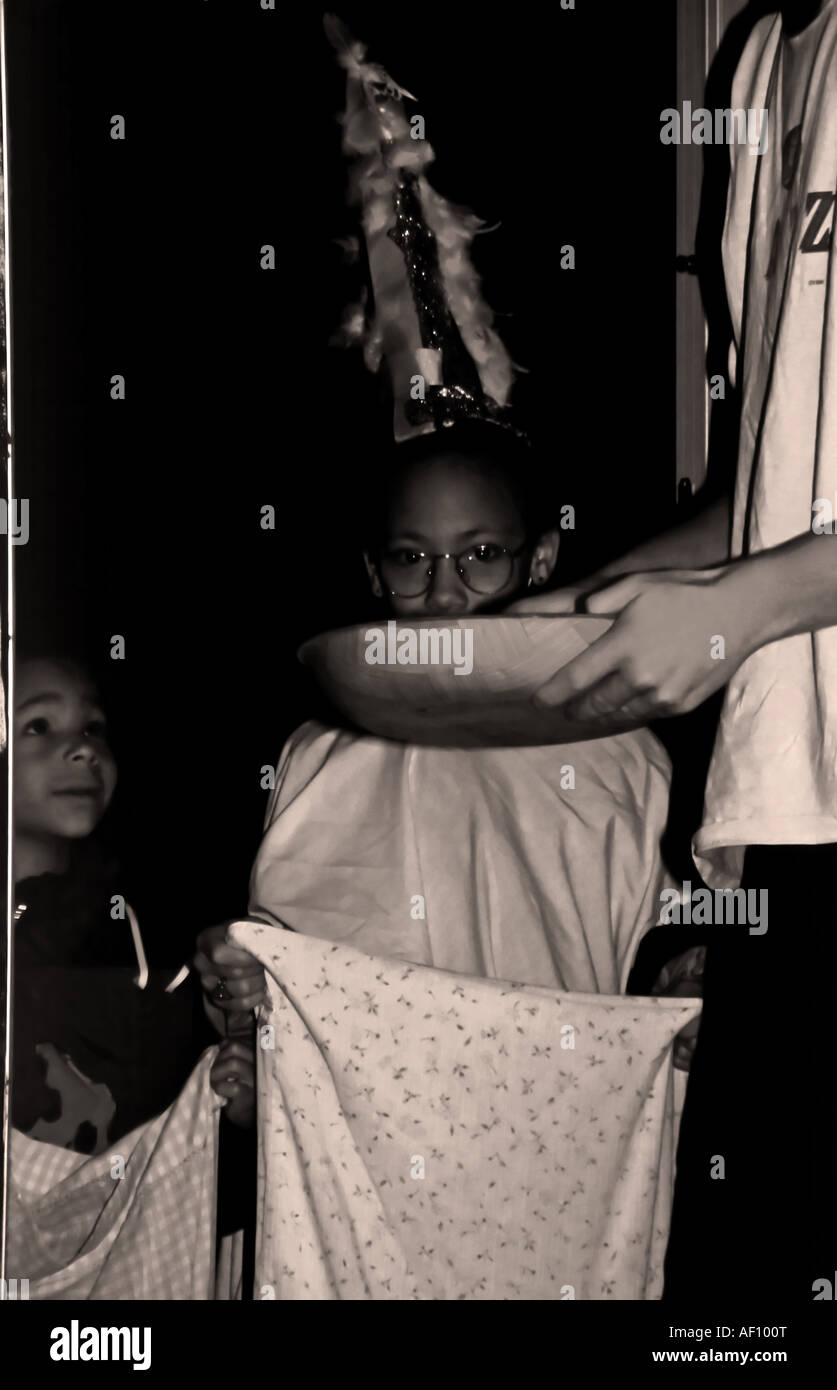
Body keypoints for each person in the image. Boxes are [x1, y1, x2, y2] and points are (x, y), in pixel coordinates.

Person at [509, 0, 837, 1301]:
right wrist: (582, 607)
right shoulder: (764, 62)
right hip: (798, 807)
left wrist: (739, 611)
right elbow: (770, 490)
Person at [195, 424, 702, 1070]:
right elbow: (276, 985)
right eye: (410, 558)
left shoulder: (618, 750)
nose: (442, 593)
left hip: (566, 1128)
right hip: (366, 1144)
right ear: (373, 573)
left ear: (540, 560)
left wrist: (683, 986)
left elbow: (658, 948)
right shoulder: (321, 754)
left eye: (481, 553)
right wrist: (237, 982)